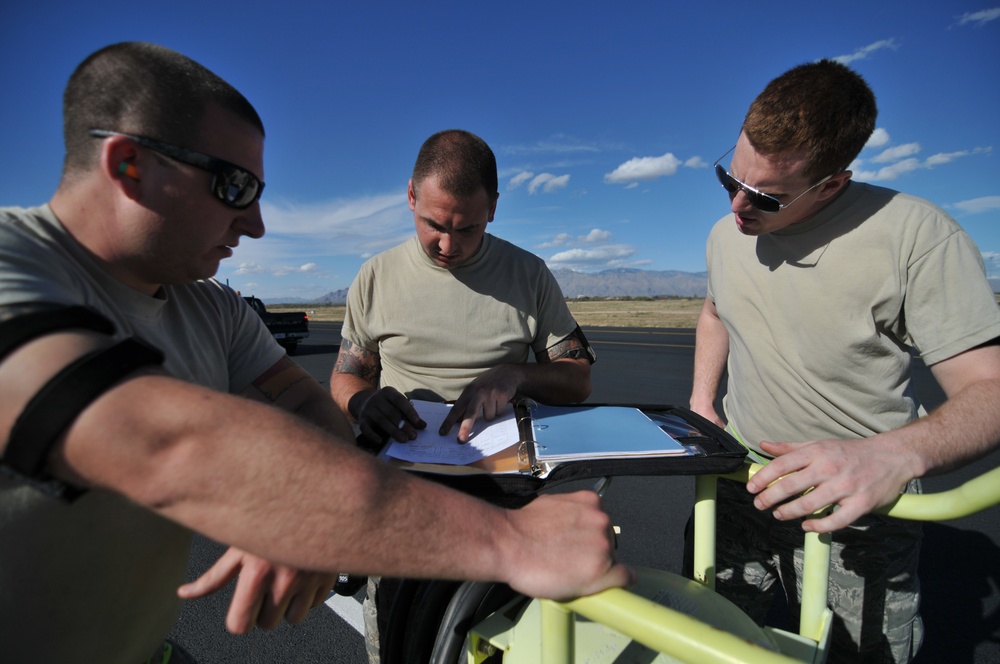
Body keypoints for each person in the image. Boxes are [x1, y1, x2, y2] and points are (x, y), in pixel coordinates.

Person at [0, 43, 631, 664]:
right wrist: (508, 540)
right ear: (129, 165)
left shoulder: (211, 307)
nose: (256, 224)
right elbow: (156, 439)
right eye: (233, 186)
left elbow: (306, 404)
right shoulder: (13, 266)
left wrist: (307, 504)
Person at [688, 59, 1000, 663]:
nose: (737, 205)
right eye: (730, 177)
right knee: (709, 638)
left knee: (862, 654)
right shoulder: (726, 235)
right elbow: (715, 312)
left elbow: (989, 388)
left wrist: (891, 455)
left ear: (831, 184)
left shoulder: (917, 236)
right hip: (739, 484)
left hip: (856, 506)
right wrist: (704, 402)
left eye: (766, 197)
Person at [330, 128, 598, 661]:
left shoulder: (529, 275)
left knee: (498, 642)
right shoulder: (375, 277)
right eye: (434, 225)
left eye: (467, 228)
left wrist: (515, 375)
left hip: (504, 499)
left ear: (493, 208)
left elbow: (577, 376)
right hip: (403, 498)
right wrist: (363, 401)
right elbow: (345, 377)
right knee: (401, 642)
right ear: (411, 196)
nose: (447, 245)